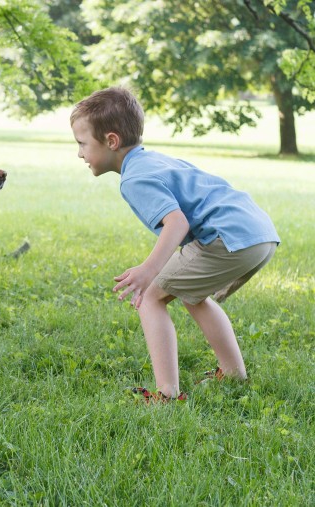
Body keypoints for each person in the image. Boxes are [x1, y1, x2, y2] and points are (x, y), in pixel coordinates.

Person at [69, 87, 280, 403]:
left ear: (111, 141)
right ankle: (234, 374)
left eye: (82, 144)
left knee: (151, 296)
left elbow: (177, 223)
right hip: (257, 232)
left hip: (227, 237)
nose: (80, 153)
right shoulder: (150, 161)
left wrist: (147, 270)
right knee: (192, 296)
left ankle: (166, 395)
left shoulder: (134, 178)